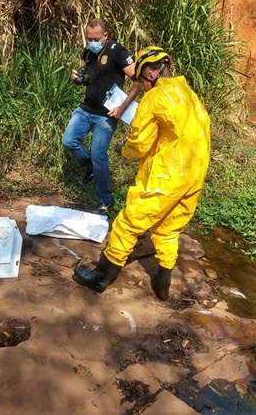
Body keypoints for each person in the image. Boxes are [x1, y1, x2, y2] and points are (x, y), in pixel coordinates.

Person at [73, 46, 211, 301]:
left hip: (166, 176)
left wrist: (123, 149)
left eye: (139, 79)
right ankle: (163, 284)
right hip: (193, 175)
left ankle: (101, 277)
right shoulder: (189, 93)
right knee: (168, 228)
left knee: (128, 222)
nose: (141, 85)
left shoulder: (155, 98)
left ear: (149, 73)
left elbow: (140, 143)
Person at [62, 18, 141, 215]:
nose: (92, 42)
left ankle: (105, 200)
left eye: (96, 38)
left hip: (106, 115)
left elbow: (138, 81)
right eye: (89, 38)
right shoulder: (88, 52)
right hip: (86, 109)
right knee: (68, 140)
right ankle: (90, 167)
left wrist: (123, 107)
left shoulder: (118, 51)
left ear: (105, 35)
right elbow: (93, 77)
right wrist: (81, 79)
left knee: (99, 154)